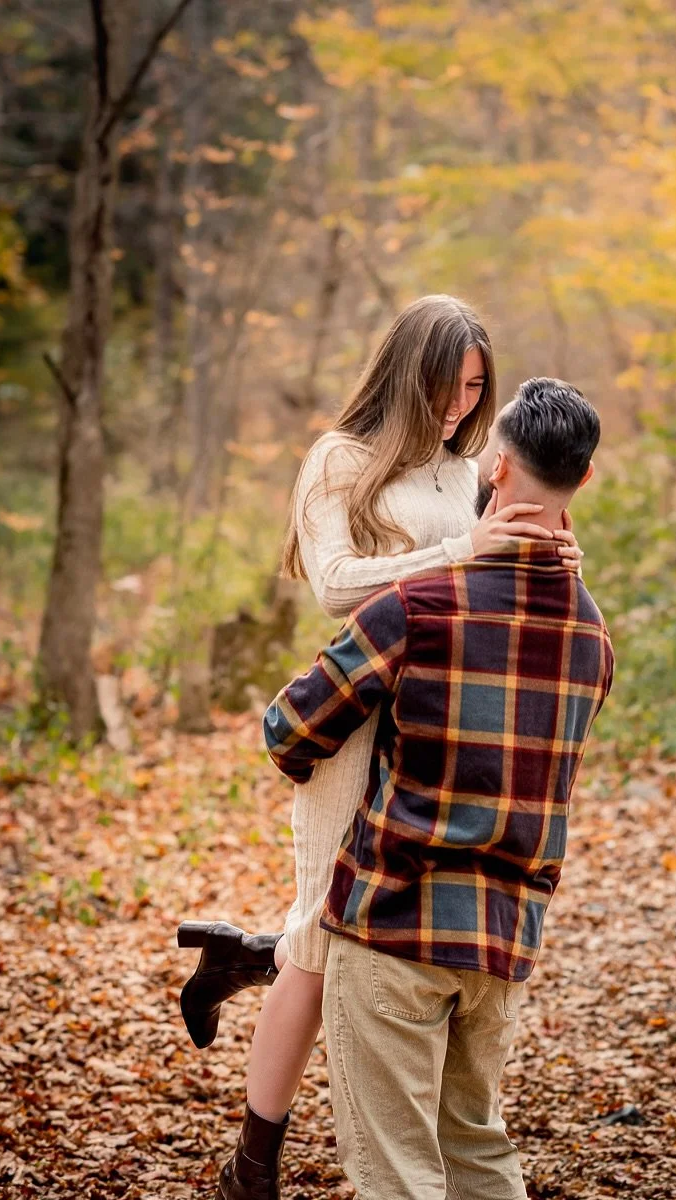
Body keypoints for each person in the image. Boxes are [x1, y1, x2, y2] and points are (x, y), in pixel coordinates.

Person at [175, 297, 583, 1198]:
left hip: (433, 728)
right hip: (355, 726)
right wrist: (462, 552)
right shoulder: (339, 461)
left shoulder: (463, 471)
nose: (459, 404)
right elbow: (333, 587)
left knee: (335, 938)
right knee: (328, 936)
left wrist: (548, 556)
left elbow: (499, 560)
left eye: (476, 388)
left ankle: (244, 963)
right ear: (407, 374)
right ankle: (254, 1160)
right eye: (447, 385)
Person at [262, 377, 614, 1200]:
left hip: (393, 922)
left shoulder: (419, 605)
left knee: (399, 1176)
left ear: (494, 470)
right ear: (583, 482)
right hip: (504, 938)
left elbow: (289, 730)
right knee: (477, 1152)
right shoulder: (592, 636)